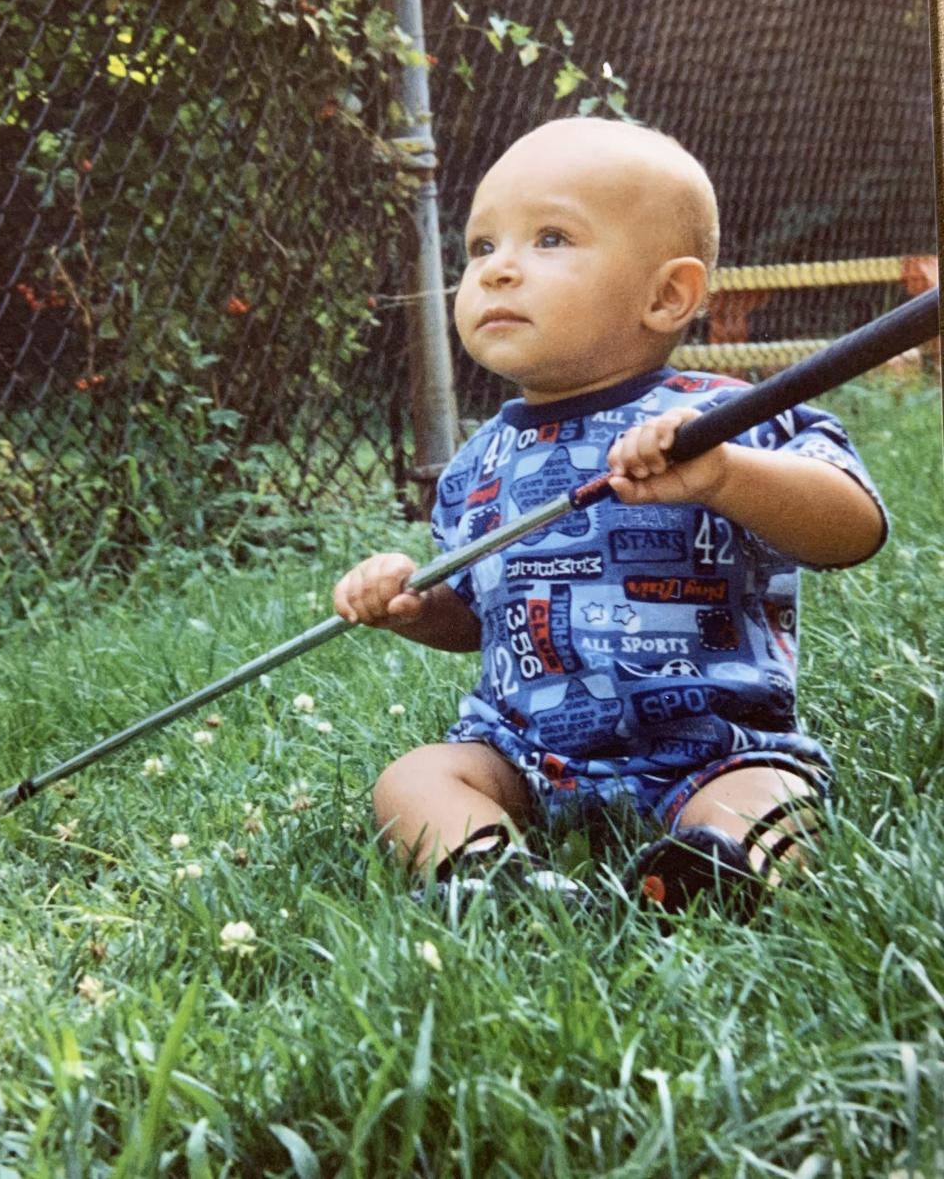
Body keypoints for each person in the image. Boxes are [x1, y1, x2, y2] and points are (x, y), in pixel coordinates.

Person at [333, 117, 888, 917]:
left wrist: (725, 475)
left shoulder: (725, 418)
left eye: (550, 238)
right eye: (481, 248)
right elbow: (478, 620)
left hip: (713, 745)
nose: (498, 272)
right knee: (414, 780)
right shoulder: (474, 465)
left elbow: (854, 528)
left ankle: (709, 874)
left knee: (767, 800)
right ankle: (502, 887)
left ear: (667, 295)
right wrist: (414, 609)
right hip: (524, 754)